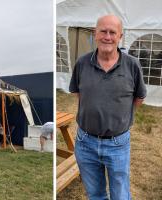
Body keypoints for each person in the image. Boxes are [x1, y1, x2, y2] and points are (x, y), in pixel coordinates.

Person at [69, 14, 146, 200]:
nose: (107, 36)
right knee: (95, 194)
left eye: (113, 32)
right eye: (103, 31)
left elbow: (139, 98)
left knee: (120, 194)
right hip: (85, 142)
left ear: (120, 36)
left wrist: (118, 118)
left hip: (118, 144)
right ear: (95, 33)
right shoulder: (81, 63)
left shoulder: (132, 65)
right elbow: (80, 95)